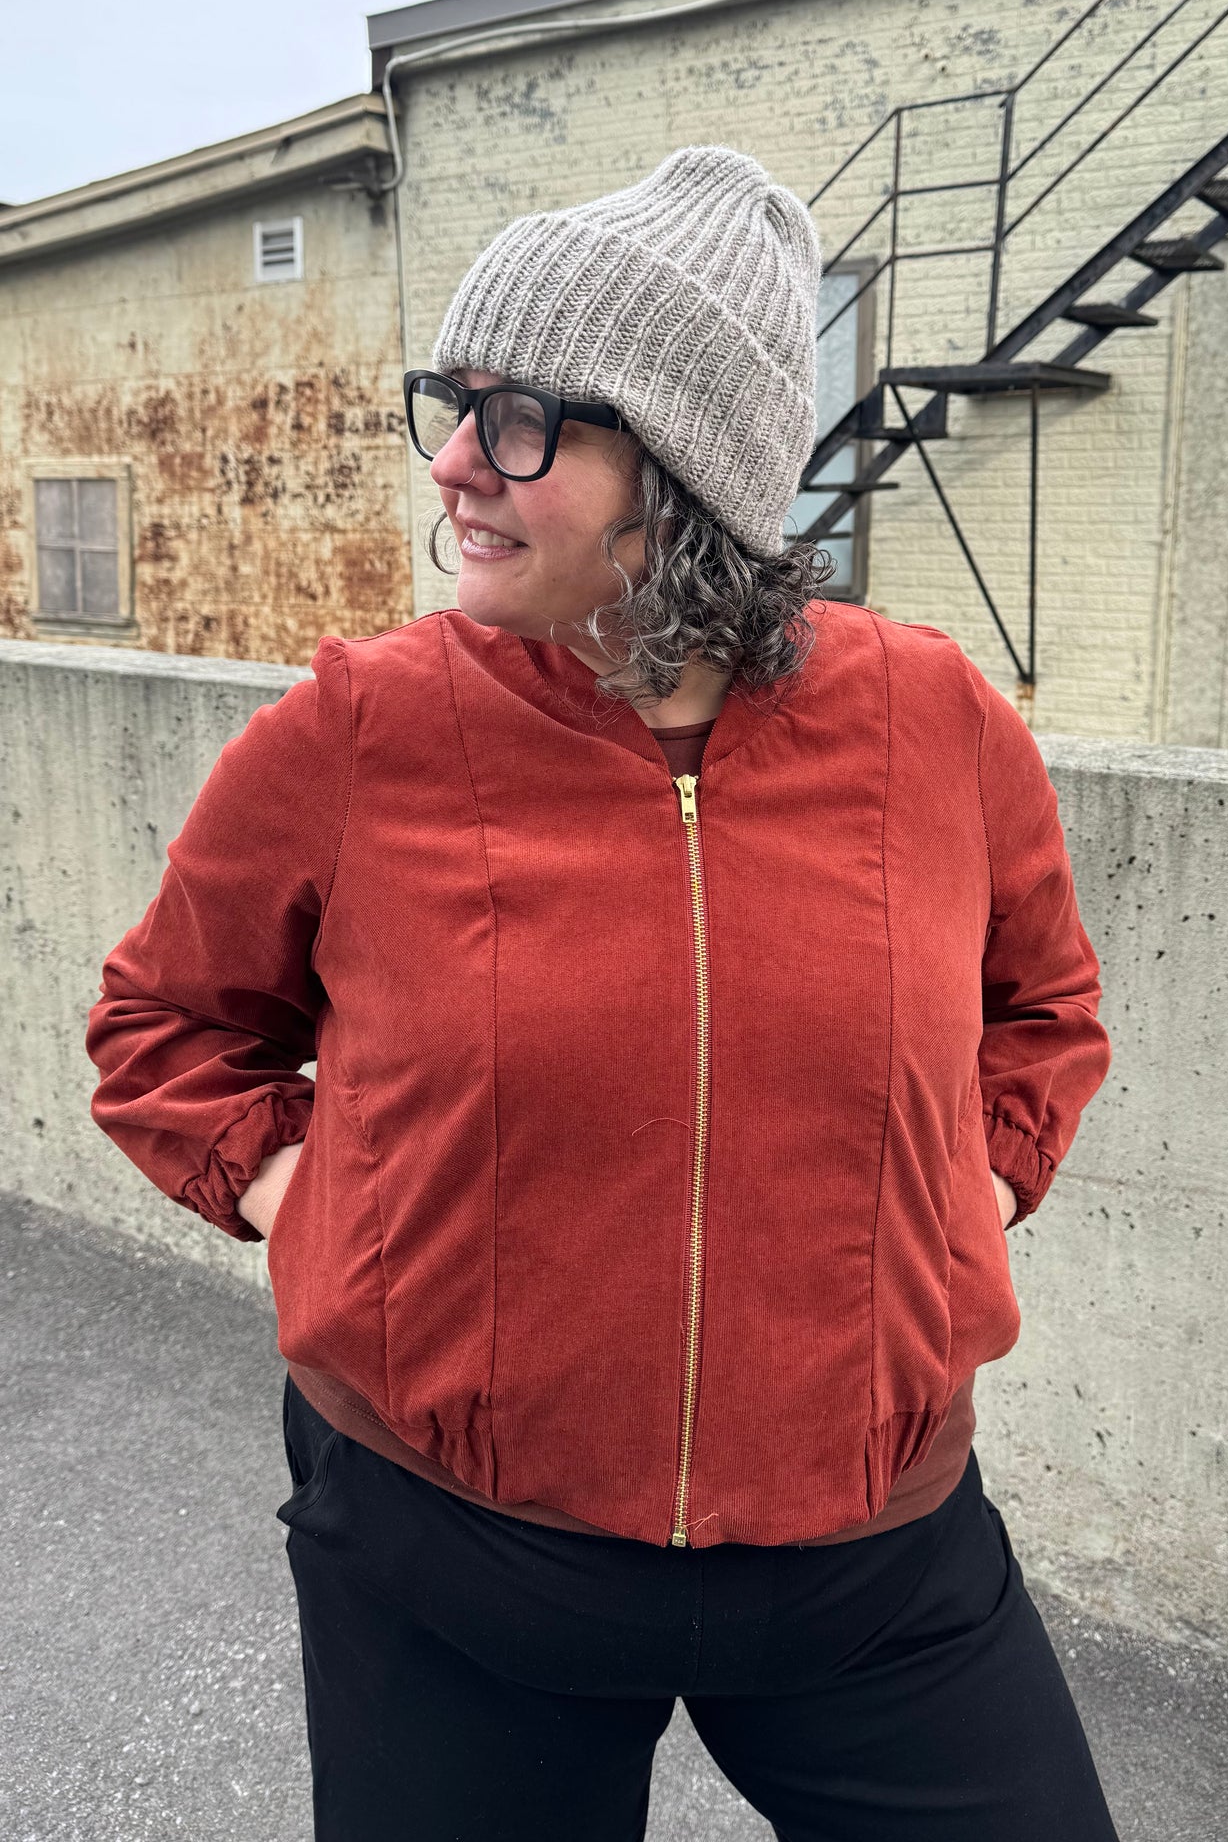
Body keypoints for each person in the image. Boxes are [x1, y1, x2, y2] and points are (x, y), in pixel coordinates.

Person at [87, 145, 1119, 1841]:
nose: (451, 465)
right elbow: (163, 1029)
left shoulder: (932, 721)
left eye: (517, 420)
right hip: (453, 1557)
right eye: (452, 404)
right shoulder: (361, 730)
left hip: (872, 1561)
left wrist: (976, 1192)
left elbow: (1043, 1009)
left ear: (687, 463)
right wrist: (308, 1196)